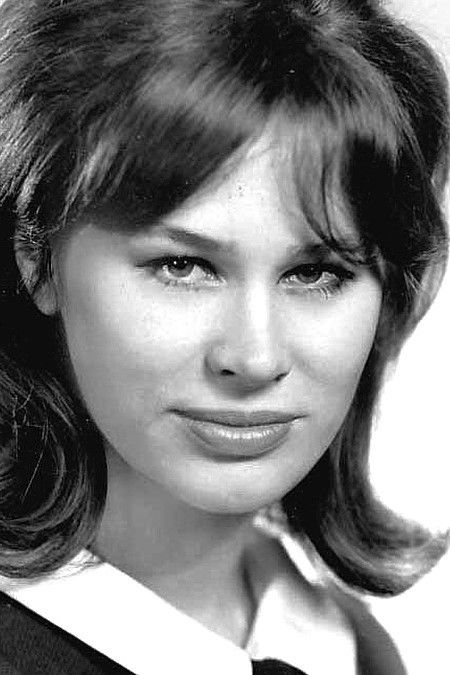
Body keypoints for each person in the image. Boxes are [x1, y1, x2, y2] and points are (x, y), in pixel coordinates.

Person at [0, 0, 448, 673]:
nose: (255, 357)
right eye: (182, 265)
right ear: (38, 259)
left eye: (315, 273)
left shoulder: (353, 648)